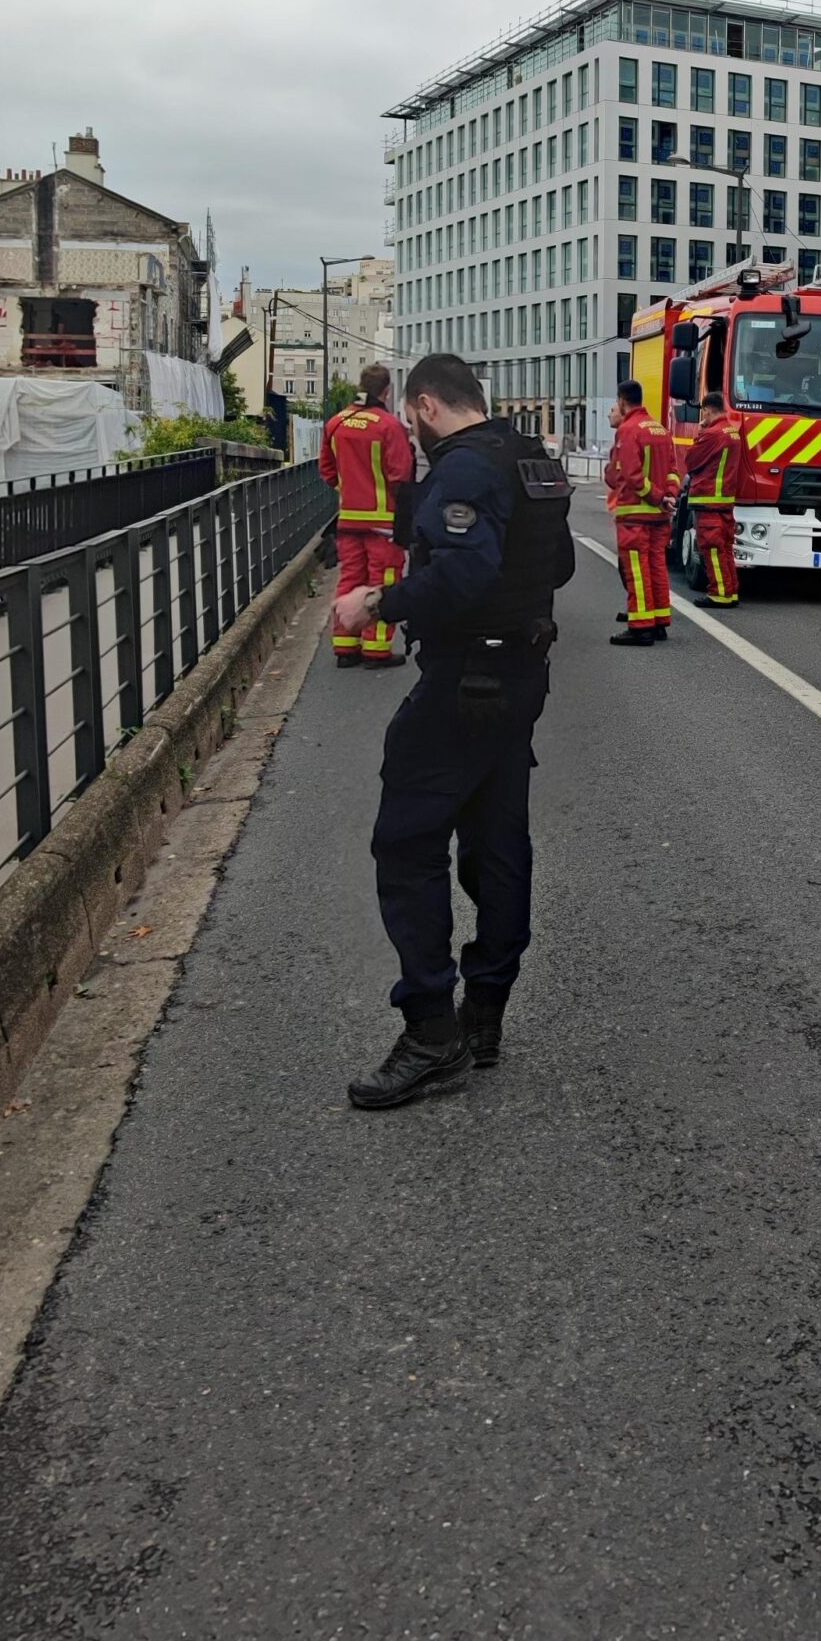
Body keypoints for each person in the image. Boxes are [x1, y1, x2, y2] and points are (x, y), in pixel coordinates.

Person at [330, 354, 573, 1110]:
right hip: (520, 670)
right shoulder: (532, 458)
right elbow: (559, 565)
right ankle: (486, 1015)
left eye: (412, 417)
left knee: (405, 842)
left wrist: (379, 602)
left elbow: (462, 575)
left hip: (466, 677)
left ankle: (432, 1030)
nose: (412, 429)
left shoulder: (463, 470)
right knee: (498, 842)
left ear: (428, 405)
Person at [318, 363, 415, 668]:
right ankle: (376, 649)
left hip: (348, 520)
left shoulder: (336, 423)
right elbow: (400, 475)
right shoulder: (389, 426)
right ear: (386, 391)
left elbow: (327, 472)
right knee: (382, 582)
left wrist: (351, 491)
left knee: (350, 578)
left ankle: (345, 647)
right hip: (383, 523)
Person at [604, 379, 679, 647]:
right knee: (657, 566)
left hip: (636, 514)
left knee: (637, 571)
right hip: (660, 516)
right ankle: (659, 621)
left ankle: (641, 627)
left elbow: (631, 475)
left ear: (622, 401)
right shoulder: (659, 429)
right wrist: (668, 495)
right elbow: (673, 469)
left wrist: (656, 496)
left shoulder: (628, 430)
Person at [683, 385, 744, 609]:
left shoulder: (711, 434)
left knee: (712, 548)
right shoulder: (731, 432)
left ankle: (718, 593)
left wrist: (699, 433)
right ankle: (731, 591)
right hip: (724, 500)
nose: (702, 417)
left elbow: (691, 462)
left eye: (703, 413)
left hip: (708, 499)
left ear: (708, 410)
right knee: (725, 548)